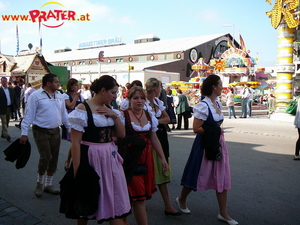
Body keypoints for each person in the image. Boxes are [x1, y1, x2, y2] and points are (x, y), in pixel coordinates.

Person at [60, 75, 131, 225]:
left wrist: (115, 116)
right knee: (87, 193)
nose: (115, 96)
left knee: (111, 192)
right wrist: (77, 170)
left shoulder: (110, 109)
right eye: (113, 92)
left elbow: (121, 134)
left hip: (109, 156)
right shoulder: (83, 109)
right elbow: (76, 142)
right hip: (91, 156)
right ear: (103, 90)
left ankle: (111, 213)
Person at [176, 74, 238, 225]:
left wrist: (216, 133)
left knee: (221, 176)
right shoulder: (203, 105)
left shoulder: (217, 103)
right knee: (196, 174)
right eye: (220, 84)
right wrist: (214, 132)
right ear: (213, 87)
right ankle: (182, 198)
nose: (222, 87)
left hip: (217, 143)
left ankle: (223, 213)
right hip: (204, 145)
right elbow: (196, 128)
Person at [118, 86, 168, 225]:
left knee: (138, 197)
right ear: (129, 100)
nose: (139, 101)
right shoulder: (123, 116)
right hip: (130, 158)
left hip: (146, 159)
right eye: (135, 98)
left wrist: (162, 158)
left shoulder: (149, 116)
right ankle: (123, 221)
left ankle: (123, 221)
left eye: (142, 98)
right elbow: (116, 138)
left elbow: (154, 138)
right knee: (133, 196)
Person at [20, 73, 70, 198]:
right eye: (56, 82)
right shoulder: (35, 96)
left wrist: (69, 129)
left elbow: (64, 114)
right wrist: (24, 133)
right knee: (46, 157)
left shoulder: (59, 96)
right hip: (40, 130)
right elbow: (28, 115)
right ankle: (39, 183)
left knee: (54, 158)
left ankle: (49, 184)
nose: (58, 84)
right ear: (48, 83)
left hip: (55, 131)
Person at [145, 78, 181, 216]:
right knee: (146, 173)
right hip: (148, 141)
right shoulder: (143, 102)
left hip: (160, 137)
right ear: (155, 89)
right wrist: (156, 122)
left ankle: (168, 205)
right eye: (160, 87)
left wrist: (154, 121)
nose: (161, 90)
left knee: (162, 171)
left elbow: (167, 118)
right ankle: (139, 204)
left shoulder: (156, 102)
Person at [62, 78, 83, 171]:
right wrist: (75, 98)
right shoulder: (65, 95)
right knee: (74, 142)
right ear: (70, 86)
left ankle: (71, 161)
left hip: (79, 119)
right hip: (69, 119)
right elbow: (70, 106)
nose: (77, 87)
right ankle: (69, 161)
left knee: (77, 142)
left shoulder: (80, 96)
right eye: (75, 85)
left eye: (78, 85)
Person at [0, 77, 18, 141]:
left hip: (9, 108)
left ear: (7, 82)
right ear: (1, 82)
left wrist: (17, 106)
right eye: (3, 81)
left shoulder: (11, 89)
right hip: (1, 108)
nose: (4, 82)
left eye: (5, 81)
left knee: (7, 121)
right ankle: (7, 135)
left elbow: (14, 98)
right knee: (4, 122)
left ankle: (3, 133)